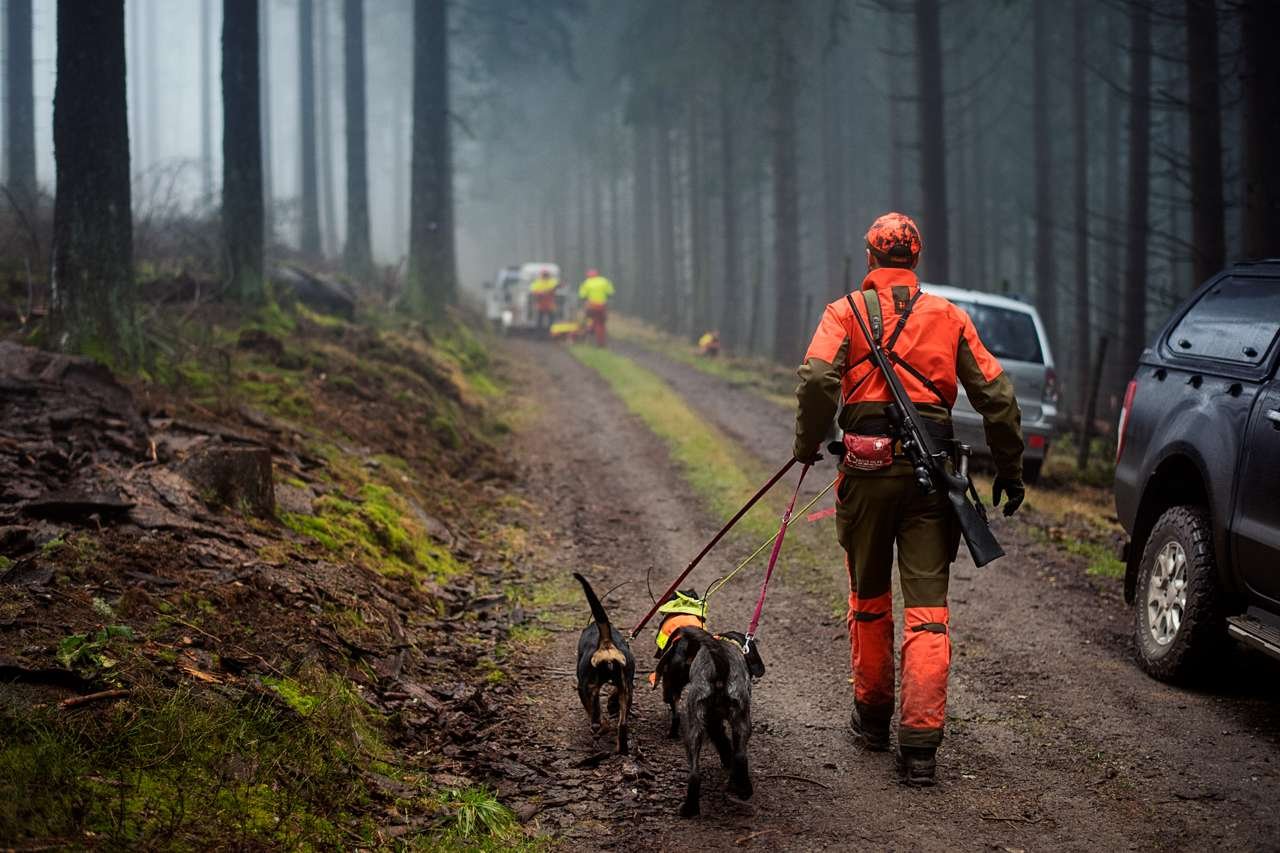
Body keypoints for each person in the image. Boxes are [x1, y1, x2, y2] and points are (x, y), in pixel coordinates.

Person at [792, 212, 1026, 786]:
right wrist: (1010, 469)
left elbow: (818, 380)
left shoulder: (843, 312)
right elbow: (998, 397)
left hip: (866, 475)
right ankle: (920, 747)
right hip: (931, 479)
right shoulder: (949, 316)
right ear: (914, 260)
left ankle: (872, 720)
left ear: (871, 258)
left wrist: (808, 443)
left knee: (869, 598)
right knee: (928, 612)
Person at [577, 268, 615, 347]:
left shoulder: (586, 283)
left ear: (588, 275)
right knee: (601, 324)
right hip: (602, 307)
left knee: (589, 321)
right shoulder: (604, 281)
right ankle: (600, 342)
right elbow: (610, 293)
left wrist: (586, 300)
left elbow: (582, 296)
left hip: (591, 306)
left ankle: (587, 334)